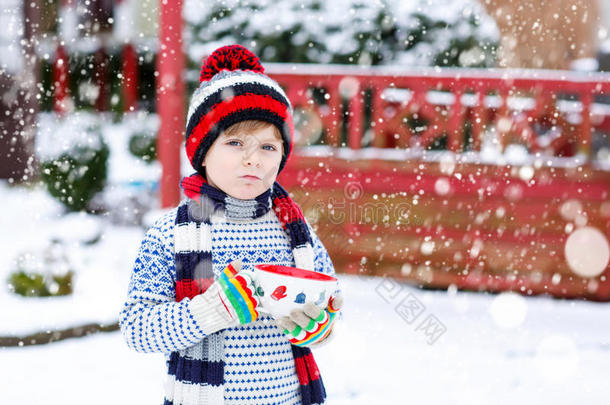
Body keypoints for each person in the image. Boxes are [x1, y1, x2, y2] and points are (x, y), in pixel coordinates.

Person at [119, 44, 343, 405]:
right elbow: (138, 329)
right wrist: (213, 309)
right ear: (202, 151)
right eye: (235, 142)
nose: (252, 159)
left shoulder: (296, 232)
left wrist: (319, 325)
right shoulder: (168, 235)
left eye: (268, 147)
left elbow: (329, 306)